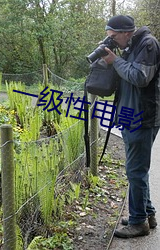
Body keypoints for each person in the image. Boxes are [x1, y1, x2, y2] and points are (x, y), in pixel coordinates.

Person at [102, 15, 160, 238]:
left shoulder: (148, 44)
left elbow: (139, 77)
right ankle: (147, 214)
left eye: (114, 37)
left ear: (126, 32)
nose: (113, 41)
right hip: (130, 115)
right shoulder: (131, 46)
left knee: (135, 171)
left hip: (142, 117)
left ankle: (138, 223)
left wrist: (115, 61)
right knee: (136, 170)